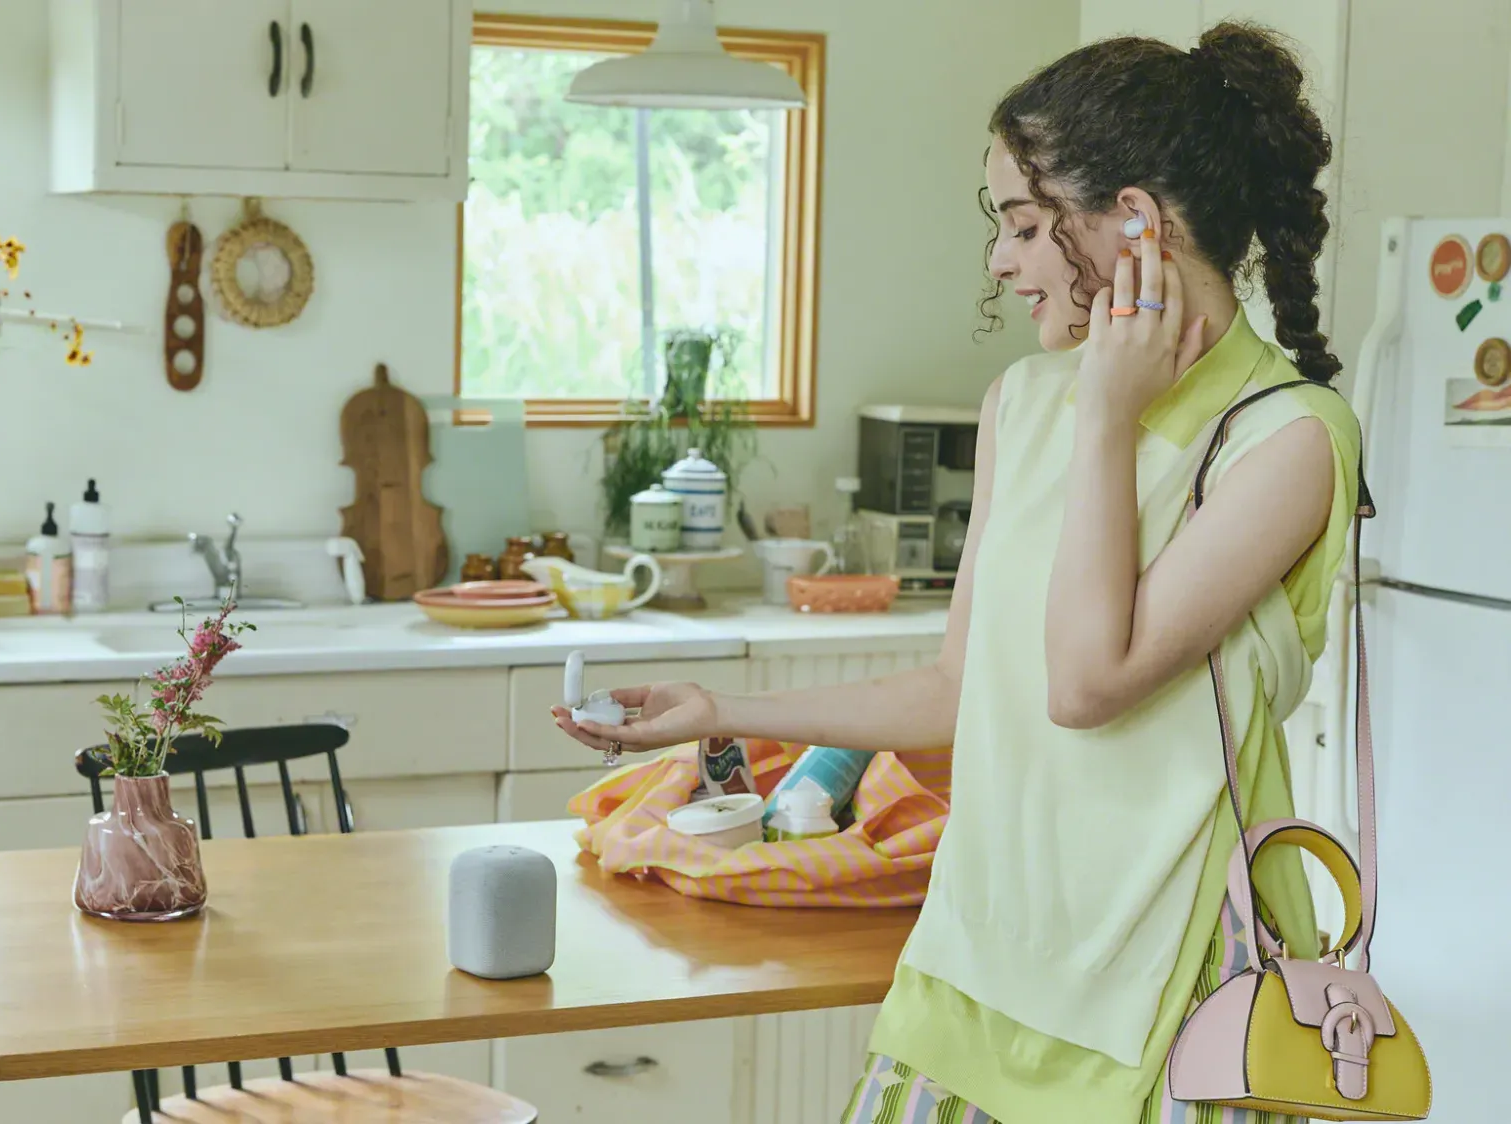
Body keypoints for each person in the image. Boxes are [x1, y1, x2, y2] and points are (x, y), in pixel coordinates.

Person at [553, 21, 1361, 1124]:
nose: (999, 260)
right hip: (979, 957)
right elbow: (956, 686)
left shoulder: (1288, 440)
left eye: (1024, 226)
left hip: (1170, 993)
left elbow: (1084, 683)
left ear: (1134, 224)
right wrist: (720, 706)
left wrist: (1105, 418)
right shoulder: (1019, 402)